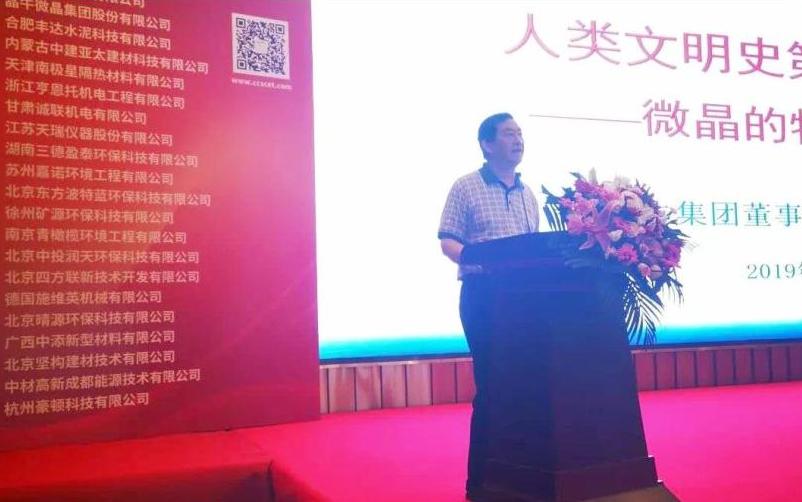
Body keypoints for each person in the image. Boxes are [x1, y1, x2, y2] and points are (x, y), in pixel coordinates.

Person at [438, 112, 539, 499]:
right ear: (487, 143)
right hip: (484, 297)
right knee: (494, 388)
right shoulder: (466, 186)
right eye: (509, 134)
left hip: (525, 302)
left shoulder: (528, 194)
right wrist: (482, 261)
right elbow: (448, 241)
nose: (518, 140)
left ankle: (520, 475)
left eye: (520, 134)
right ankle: (480, 484)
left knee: (523, 388)